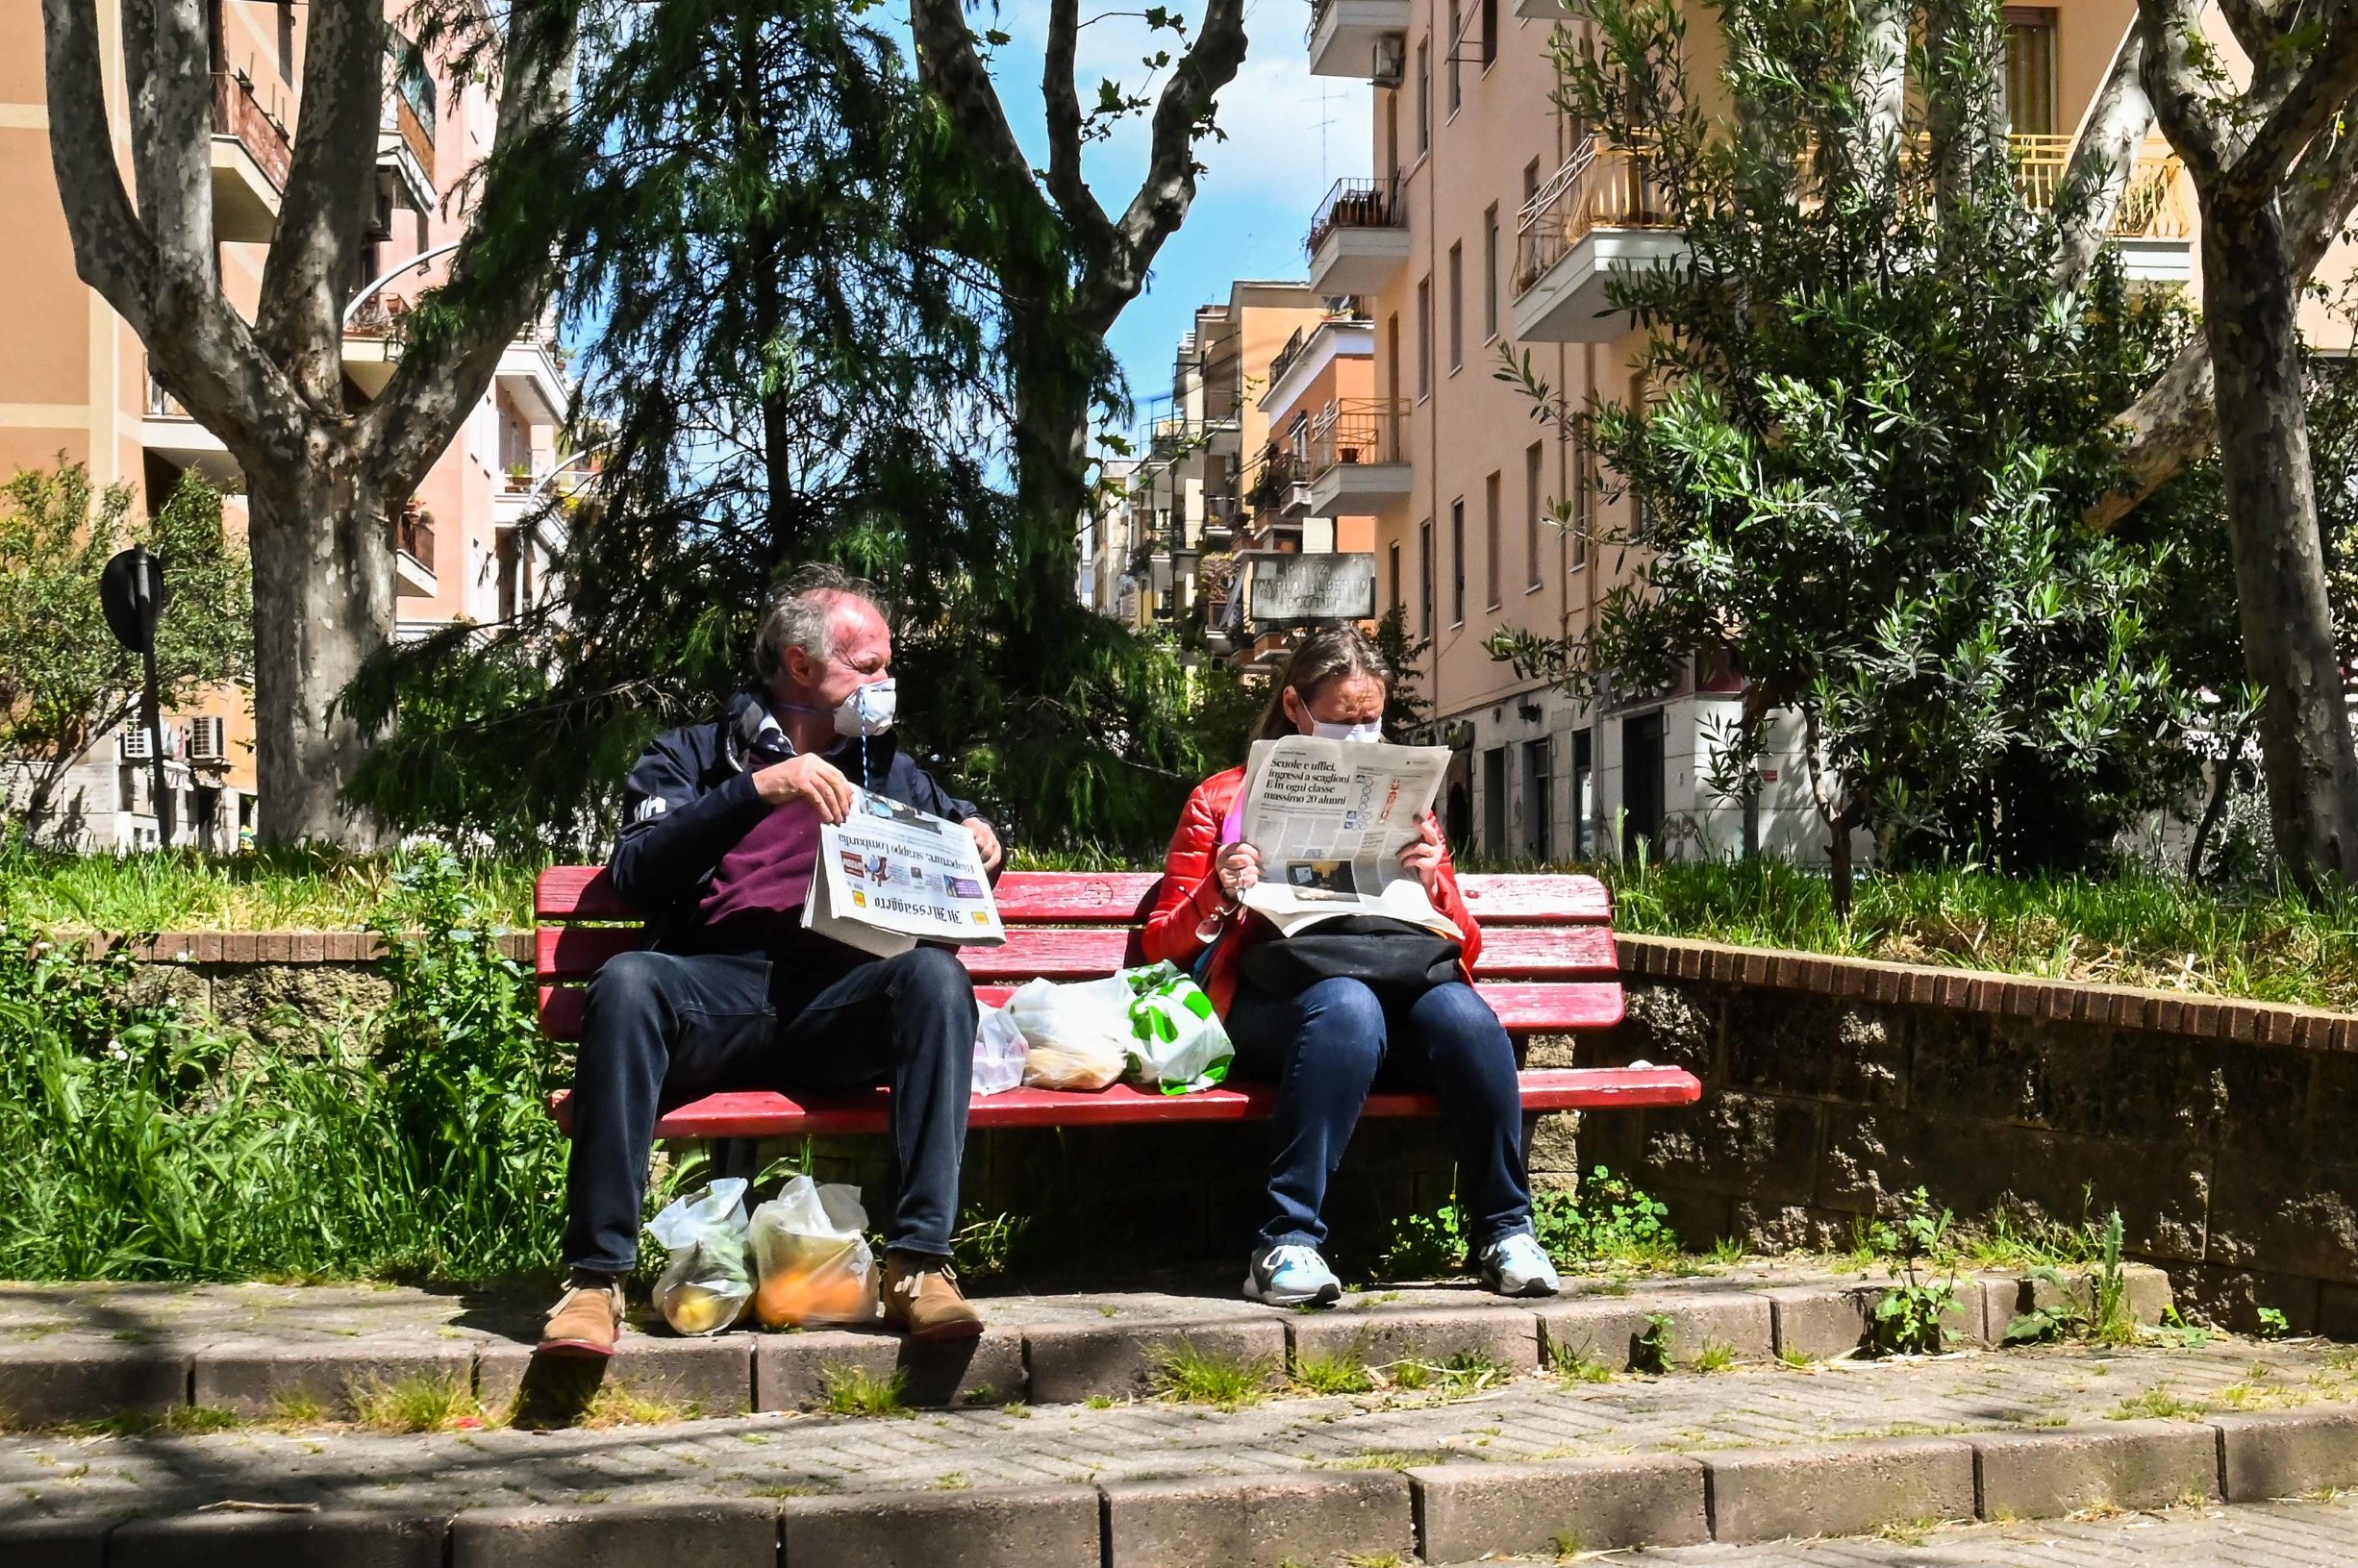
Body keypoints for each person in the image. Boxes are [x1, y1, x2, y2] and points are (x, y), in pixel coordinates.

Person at [540, 564, 1001, 1356]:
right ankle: (594, 1279)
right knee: (626, 980)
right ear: (799, 663)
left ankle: (920, 1265)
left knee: (935, 978)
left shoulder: (889, 767)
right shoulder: (692, 753)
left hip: (836, 1000)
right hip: (714, 991)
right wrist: (759, 789)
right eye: (868, 665)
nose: (885, 681)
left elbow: (952, 843)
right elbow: (636, 869)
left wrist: (986, 839)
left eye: (887, 665)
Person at [1141, 626, 1562, 1308]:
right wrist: (1219, 889)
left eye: (1373, 719)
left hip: (1396, 990)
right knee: (1345, 1005)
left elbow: (1466, 951)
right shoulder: (1222, 799)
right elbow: (1160, 945)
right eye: (1343, 719)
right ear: (1296, 708)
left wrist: (1435, 885)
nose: (1363, 734)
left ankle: (1505, 1231)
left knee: (1468, 1017)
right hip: (1280, 1006)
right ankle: (1286, 1241)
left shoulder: (1404, 799)